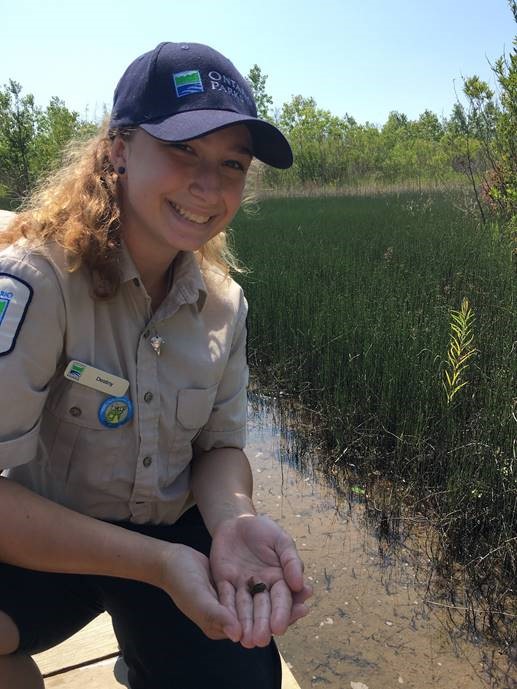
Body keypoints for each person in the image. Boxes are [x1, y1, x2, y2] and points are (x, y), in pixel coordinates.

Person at [0, 42, 312, 689]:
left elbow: (220, 446)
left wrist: (233, 519)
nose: (209, 185)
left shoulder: (224, 303)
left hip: (171, 536)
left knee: (245, 679)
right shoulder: (37, 280)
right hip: (48, 540)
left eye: (232, 163)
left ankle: (145, 651)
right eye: (184, 150)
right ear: (118, 147)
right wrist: (156, 564)